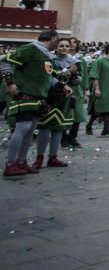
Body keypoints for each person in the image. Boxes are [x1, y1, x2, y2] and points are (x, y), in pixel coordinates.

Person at [1, 30, 59, 176]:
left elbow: (48, 76)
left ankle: (21, 161)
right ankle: (11, 163)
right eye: (57, 41)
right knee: (22, 128)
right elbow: (5, 61)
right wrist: (10, 82)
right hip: (25, 94)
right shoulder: (30, 49)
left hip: (38, 97)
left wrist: (60, 85)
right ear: (52, 38)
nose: (57, 44)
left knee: (30, 130)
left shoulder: (46, 55)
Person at [33, 37, 79, 169]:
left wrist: (75, 76)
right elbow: (47, 77)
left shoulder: (74, 62)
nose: (64, 48)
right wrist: (61, 78)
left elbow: (76, 82)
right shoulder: (49, 60)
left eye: (66, 46)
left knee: (59, 127)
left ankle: (53, 156)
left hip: (65, 99)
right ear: (56, 47)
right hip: (50, 96)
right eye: (61, 46)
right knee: (45, 127)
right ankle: (39, 157)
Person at [89, 43, 109, 136]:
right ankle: (89, 125)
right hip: (103, 87)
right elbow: (95, 75)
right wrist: (97, 88)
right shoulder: (100, 61)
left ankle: (106, 129)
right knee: (98, 109)